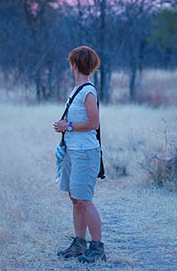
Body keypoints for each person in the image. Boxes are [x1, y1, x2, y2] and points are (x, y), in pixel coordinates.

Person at [53, 46, 106, 263]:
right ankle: (79, 243)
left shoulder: (88, 92)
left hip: (85, 152)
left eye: (71, 62)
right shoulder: (77, 90)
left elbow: (94, 123)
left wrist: (69, 126)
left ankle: (98, 248)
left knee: (84, 200)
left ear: (75, 65)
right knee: (75, 199)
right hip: (73, 151)